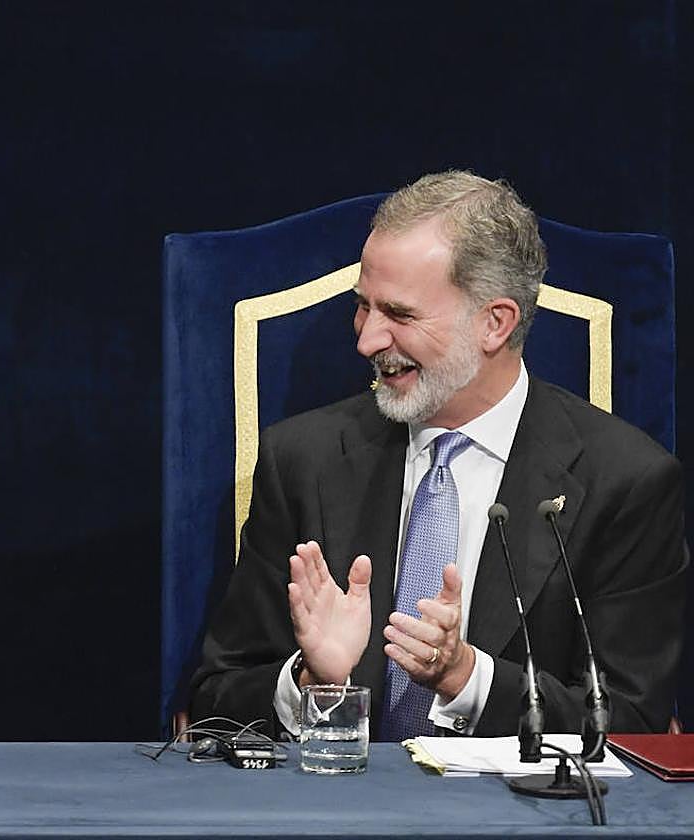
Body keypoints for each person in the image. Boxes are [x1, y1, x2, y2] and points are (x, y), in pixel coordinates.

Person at [191, 171, 687, 741]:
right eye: (363, 307)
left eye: (399, 315)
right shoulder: (303, 459)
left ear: (495, 323)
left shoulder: (624, 481)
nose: (367, 340)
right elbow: (212, 700)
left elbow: (633, 725)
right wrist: (312, 679)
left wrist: (466, 678)